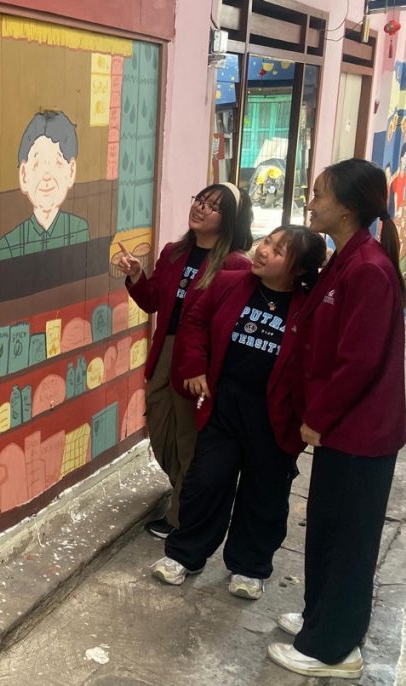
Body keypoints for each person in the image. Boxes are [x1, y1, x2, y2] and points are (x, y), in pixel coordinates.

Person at [267, 159, 406, 679]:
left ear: (347, 207)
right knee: (327, 528)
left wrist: (318, 418)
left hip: (358, 432)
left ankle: (334, 648)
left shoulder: (368, 268)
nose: (310, 204)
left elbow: (359, 361)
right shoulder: (345, 260)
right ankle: (319, 618)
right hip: (343, 429)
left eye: (319, 195)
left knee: (348, 539)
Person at [148, 226, 326, 598]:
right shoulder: (229, 283)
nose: (264, 250)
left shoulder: (311, 307)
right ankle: (185, 554)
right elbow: (194, 322)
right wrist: (195, 366)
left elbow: (318, 364)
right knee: (206, 482)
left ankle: (249, 566)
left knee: (265, 494)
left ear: (298, 269)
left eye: (278, 250)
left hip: (276, 417)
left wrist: (313, 415)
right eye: (267, 242)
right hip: (225, 406)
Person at [116, 183, 253, 538]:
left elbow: (228, 325)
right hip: (166, 350)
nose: (201, 208)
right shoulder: (174, 252)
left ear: (230, 219)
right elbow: (152, 302)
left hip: (199, 361)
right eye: (200, 200)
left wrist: (206, 368)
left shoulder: (236, 265)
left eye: (214, 206)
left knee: (188, 437)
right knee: (160, 428)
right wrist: (136, 275)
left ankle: (182, 517)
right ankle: (192, 496)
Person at [0, 111, 89, 260]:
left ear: (71, 171)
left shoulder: (79, 229)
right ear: (24, 175)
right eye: (37, 164)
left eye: (56, 163)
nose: (46, 176)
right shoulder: (9, 243)